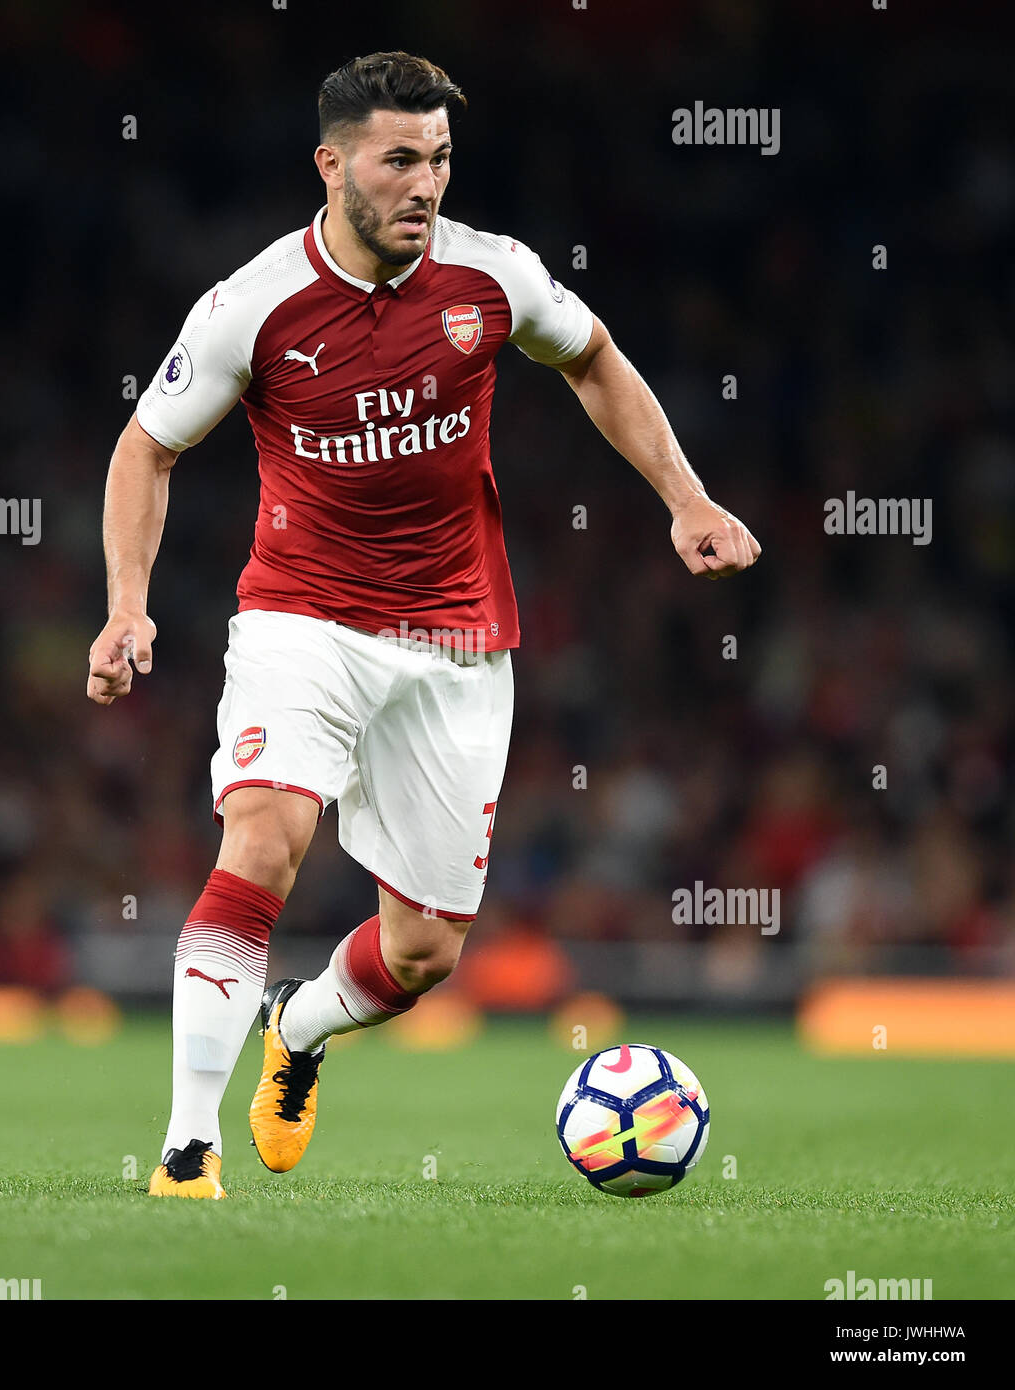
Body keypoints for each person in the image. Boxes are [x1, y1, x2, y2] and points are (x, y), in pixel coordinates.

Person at [86, 51, 761, 1199]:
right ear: (333, 163)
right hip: (300, 616)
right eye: (399, 159)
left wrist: (685, 497)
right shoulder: (252, 304)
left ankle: (294, 1031)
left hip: (455, 642)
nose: (424, 184)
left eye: (439, 159)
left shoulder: (493, 279)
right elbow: (147, 446)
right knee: (258, 841)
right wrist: (126, 607)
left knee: (423, 952)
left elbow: (593, 358)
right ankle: (186, 1150)